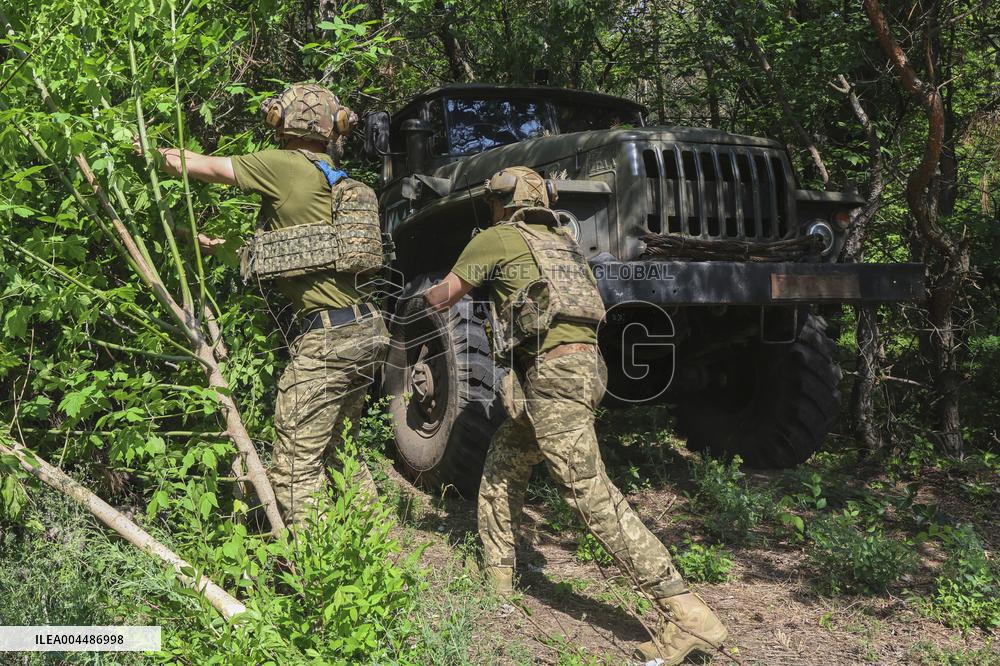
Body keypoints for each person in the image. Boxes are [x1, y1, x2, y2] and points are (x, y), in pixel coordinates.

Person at [421, 166, 728, 664]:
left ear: (504, 202)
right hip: (586, 371)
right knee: (504, 459)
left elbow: (445, 297)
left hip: (554, 377)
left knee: (587, 491)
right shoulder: (564, 243)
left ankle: (688, 615)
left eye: (494, 200)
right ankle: (498, 577)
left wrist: (415, 300)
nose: (493, 208)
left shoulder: (498, 237)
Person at [140, 83, 388, 528]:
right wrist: (199, 242)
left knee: (294, 465)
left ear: (281, 120)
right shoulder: (333, 177)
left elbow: (197, 164)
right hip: (367, 331)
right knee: (341, 451)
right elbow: (291, 249)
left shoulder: (283, 165)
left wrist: (134, 147)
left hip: (328, 339)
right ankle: (376, 545)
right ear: (334, 127)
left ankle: (323, 569)